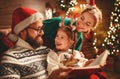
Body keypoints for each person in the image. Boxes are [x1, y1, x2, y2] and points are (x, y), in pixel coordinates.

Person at [0, 7, 74, 79]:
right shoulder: (10, 59)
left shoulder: (46, 50)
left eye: (42, 28)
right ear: (22, 31)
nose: (42, 33)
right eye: (38, 29)